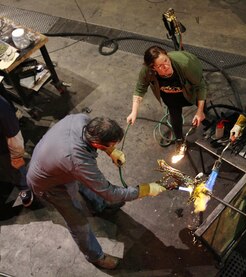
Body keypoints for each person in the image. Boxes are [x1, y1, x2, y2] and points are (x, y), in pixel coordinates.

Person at [26, 114, 166, 270]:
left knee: (85, 181)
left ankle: (100, 206)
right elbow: (110, 193)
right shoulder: (78, 160)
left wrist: (111, 151)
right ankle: (95, 256)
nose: (112, 147)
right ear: (97, 144)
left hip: (53, 160)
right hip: (48, 184)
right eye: (110, 145)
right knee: (78, 221)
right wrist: (145, 190)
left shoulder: (82, 120)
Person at [127, 45, 207, 155]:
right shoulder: (147, 71)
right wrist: (134, 111)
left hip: (191, 93)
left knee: (202, 108)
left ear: (167, 55)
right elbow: (140, 88)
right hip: (170, 97)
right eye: (160, 66)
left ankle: (208, 121)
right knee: (174, 115)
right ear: (153, 68)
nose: (166, 66)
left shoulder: (185, 64)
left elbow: (200, 86)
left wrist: (200, 111)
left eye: (166, 60)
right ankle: (179, 139)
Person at [0, 92, 33, 207]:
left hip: (4, 149)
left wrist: (16, 156)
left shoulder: (1, 106)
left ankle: (24, 187)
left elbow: (13, 134)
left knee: (15, 168)